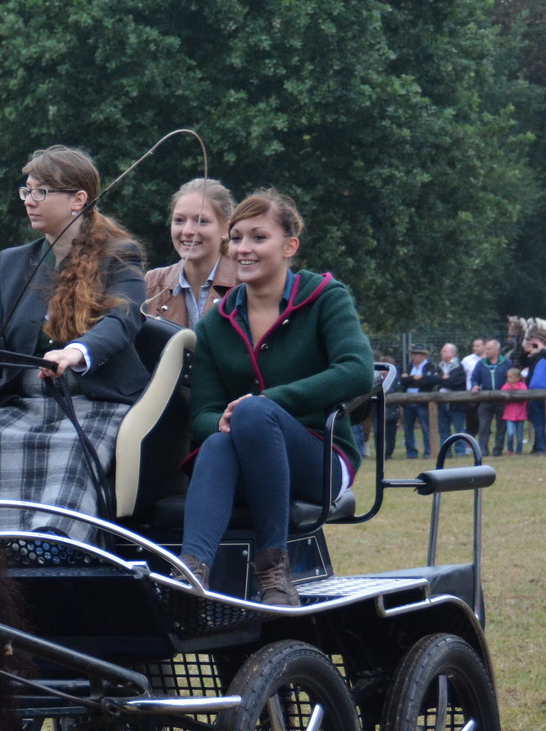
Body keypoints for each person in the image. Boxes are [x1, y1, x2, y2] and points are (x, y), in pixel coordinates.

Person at [178, 189, 371, 607]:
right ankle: (190, 575)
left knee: (255, 411)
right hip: (244, 456)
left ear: (290, 246)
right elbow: (203, 415)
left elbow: (358, 370)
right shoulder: (216, 323)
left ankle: (273, 569)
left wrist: (264, 405)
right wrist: (224, 421)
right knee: (216, 439)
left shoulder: (325, 298)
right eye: (236, 237)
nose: (243, 249)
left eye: (258, 237)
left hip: (319, 457)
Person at [0, 145, 148, 539]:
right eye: (27, 191)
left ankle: (55, 544)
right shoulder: (10, 262)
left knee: (72, 447)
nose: (30, 201)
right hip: (21, 400)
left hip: (93, 400)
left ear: (79, 199)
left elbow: (122, 319)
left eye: (42, 191)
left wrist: (78, 351)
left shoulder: (121, 255)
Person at [142, 177, 238, 329]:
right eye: (179, 220)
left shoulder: (247, 285)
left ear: (226, 229)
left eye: (201, 221)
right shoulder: (153, 284)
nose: (187, 231)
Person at [468, 339, 508, 456]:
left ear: (497, 350)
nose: (487, 351)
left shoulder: (506, 363)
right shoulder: (481, 364)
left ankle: (498, 450)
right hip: (485, 400)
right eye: (486, 348)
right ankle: (483, 451)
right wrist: (474, 385)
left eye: (489, 348)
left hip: (502, 400)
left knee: (501, 427)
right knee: (483, 426)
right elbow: (474, 378)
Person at [399, 345, 435, 459]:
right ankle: (411, 453)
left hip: (422, 402)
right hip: (408, 401)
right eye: (413, 354)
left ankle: (428, 452)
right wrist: (414, 378)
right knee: (408, 429)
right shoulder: (410, 367)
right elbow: (403, 381)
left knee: (426, 429)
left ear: (422, 355)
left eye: (416, 354)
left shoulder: (430, 367)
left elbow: (429, 381)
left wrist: (411, 379)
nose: (414, 357)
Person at [501, 367, 528, 454]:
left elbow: (524, 397)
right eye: (508, 377)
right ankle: (510, 450)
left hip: (520, 414)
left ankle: (519, 451)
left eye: (511, 377)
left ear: (517, 378)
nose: (509, 379)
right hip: (509, 415)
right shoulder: (506, 386)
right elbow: (502, 395)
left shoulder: (522, 386)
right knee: (510, 433)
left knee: (519, 435)